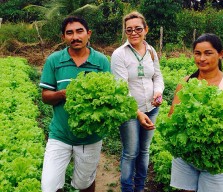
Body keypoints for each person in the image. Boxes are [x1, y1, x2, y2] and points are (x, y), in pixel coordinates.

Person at [39, 16, 111, 192]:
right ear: (64, 37)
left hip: (90, 138)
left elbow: (109, 96)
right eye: (69, 33)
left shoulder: (101, 61)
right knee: (48, 186)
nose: (75, 37)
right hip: (60, 135)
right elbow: (45, 96)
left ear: (88, 34)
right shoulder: (54, 60)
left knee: (84, 183)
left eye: (79, 31)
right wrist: (61, 94)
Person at [168, 33, 223, 192]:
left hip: (216, 159)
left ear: (220, 54)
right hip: (186, 156)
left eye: (208, 53)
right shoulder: (186, 83)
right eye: (197, 53)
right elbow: (172, 117)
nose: (201, 58)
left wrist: (214, 139)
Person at [111, 11, 165, 192]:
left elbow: (157, 76)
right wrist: (137, 112)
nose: (134, 33)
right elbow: (121, 88)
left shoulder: (151, 51)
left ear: (146, 30)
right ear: (125, 32)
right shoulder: (120, 54)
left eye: (138, 29)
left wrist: (158, 93)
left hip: (152, 109)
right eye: (129, 30)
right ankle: (127, 188)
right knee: (131, 152)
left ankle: (140, 187)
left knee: (144, 151)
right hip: (130, 112)